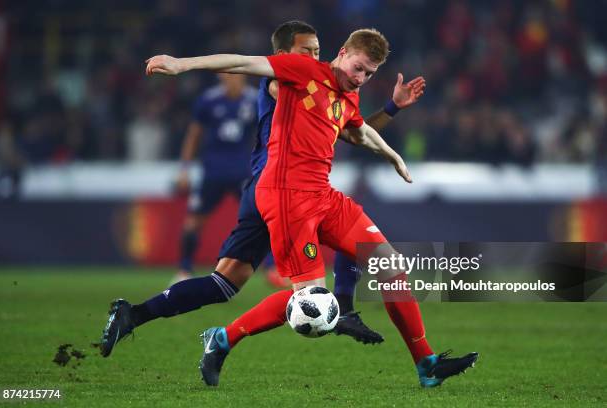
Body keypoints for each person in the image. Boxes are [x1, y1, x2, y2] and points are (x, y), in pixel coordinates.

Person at [143, 27, 478, 387]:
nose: (361, 78)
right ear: (344, 51)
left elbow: (360, 132)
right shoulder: (303, 70)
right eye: (358, 68)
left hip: (323, 195)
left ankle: (426, 364)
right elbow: (242, 62)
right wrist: (180, 64)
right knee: (309, 300)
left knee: (392, 268)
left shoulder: (348, 97)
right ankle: (222, 338)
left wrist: (393, 154)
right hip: (287, 197)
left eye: (369, 74)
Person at [100, 21, 428, 359]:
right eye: (308, 51)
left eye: (318, 51)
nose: (316, 56)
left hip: (269, 190)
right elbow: (242, 63)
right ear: (284, 55)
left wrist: (392, 122)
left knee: (224, 283)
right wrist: (182, 64)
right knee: (318, 279)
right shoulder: (286, 78)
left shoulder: (331, 88)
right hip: (280, 189)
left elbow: (352, 129)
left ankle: (135, 315)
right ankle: (337, 308)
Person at [174, 73, 257, 282]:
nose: (233, 79)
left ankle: (274, 268)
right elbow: (194, 135)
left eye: (236, 75)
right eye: (228, 75)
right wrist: (184, 168)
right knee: (194, 221)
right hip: (212, 171)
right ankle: (184, 269)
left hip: (243, 171)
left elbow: (266, 133)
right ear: (221, 76)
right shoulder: (208, 100)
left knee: (262, 218)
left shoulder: (255, 100)